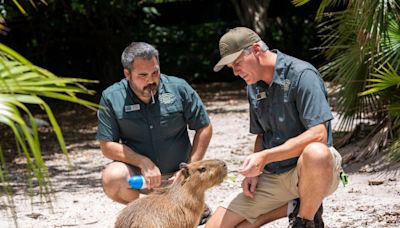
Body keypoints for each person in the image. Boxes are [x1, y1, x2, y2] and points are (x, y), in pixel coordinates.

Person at [206, 27, 343, 228]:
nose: (235, 72)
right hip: (273, 175)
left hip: (311, 171)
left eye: (237, 63)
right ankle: (292, 207)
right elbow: (261, 134)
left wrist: (264, 158)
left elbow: (319, 134)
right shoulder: (252, 85)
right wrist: (254, 173)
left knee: (316, 152)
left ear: (256, 49)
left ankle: (305, 221)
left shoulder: (302, 74)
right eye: (231, 67)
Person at [96, 42, 213, 224]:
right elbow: (107, 146)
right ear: (127, 74)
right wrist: (143, 162)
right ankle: (143, 214)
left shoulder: (178, 88)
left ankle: (191, 207)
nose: (151, 80)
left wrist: (189, 169)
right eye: (142, 75)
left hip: (179, 175)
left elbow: (204, 127)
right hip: (141, 177)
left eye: (155, 72)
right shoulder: (112, 97)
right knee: (112, 177)